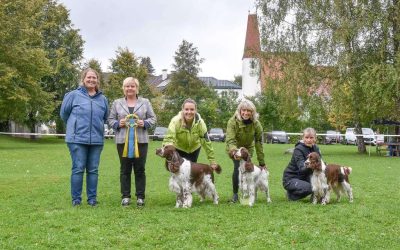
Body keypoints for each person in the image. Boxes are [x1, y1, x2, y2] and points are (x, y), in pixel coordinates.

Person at [60, 68, 109, 207]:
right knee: (78, 168)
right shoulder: (73, 95)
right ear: (83, 79)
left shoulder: (103, 98)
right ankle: (76, 200)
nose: (91, 80)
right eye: (89, 77)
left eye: (94, 78)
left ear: (97, 80)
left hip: (96, 140)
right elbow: (64, 114)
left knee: (93, 170)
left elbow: (105, 117)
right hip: (76, 139)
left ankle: (92, 199)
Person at [108, 77, 156, 207]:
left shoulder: (145, 102)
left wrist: (144, 123)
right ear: (123, 88)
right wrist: (118, 123)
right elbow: (110, 120)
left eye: (132, 86)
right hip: (122, 141)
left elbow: (153, 119)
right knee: (125, 169)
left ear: (137, 88)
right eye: (127, 86)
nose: (130, 88)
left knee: (140, 169)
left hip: (141, 141)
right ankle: (125, 196)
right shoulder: (116, 103)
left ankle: (140, 197)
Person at [225, 99, 266, 203]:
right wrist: (234, 152)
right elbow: (230, 139)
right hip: (234, 148)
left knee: (247, 170)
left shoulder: (256, 124)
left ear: (252, 112)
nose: (246, 113)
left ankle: (247, 194)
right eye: (244, 110)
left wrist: (262, 162)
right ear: (240, 111)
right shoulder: (232, 121)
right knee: (237, 168)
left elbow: (259, 143)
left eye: (249, 111)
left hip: (248, 149)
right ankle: (235, 194)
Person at [163, 98, 218, 167]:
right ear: (183, 110)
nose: (189, 112)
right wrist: (168, 149)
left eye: (192, 109)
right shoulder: (175, 121)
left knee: (191, 173)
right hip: (179, 149)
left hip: (194, 149)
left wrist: (212, 161)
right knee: (178, 171)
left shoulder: (201, 123)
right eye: (186, 109)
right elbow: (169, 138)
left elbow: (206, 142)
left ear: (195, 110)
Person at [282, 127, 321, 201]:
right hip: (291, 178)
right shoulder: (298, 149)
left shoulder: (316, 148)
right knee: (311, 188)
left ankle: (316, 197)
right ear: (303, 138)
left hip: (305, 177)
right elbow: (302, 168)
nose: (309, 140)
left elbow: (321, 163)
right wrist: (312, 165)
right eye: (306, 137)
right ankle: (291, 195)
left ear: (315, 138)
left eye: (311, 137)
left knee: (320, 183)